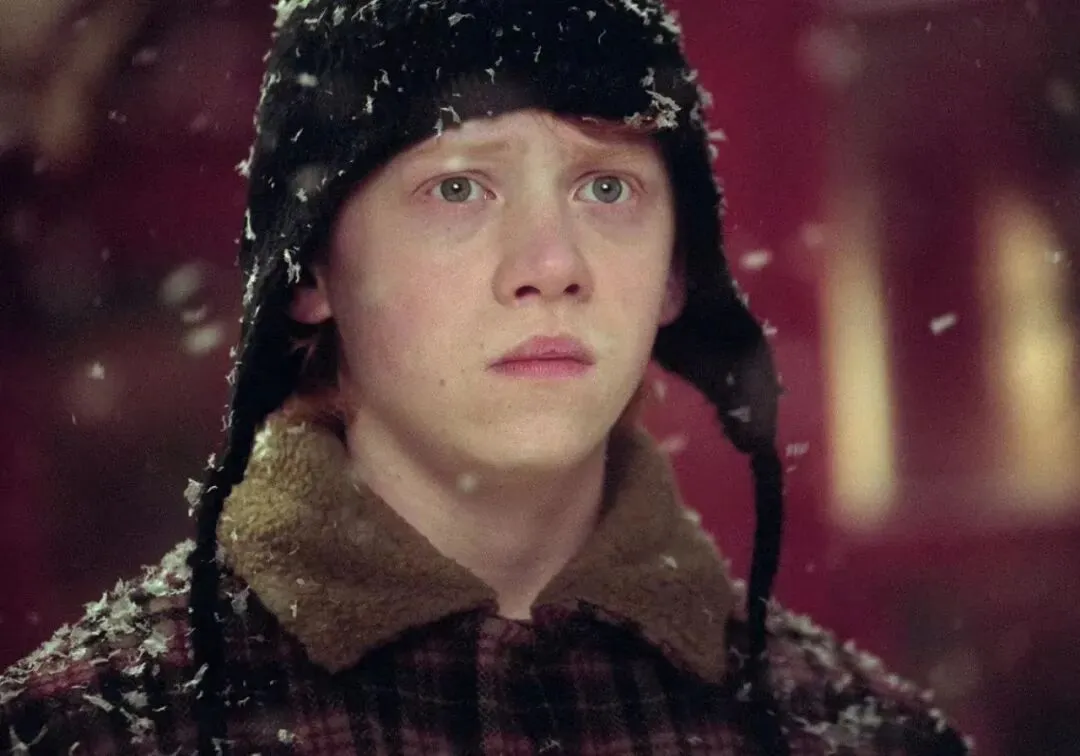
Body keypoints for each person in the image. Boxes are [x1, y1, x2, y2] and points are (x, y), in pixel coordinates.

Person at [0, 1, 973, 754]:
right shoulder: (92, 733)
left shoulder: (851, 735)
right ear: (313, 268)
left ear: (676, 272)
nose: (551, 263)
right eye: (458, 186)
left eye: (607, 186)